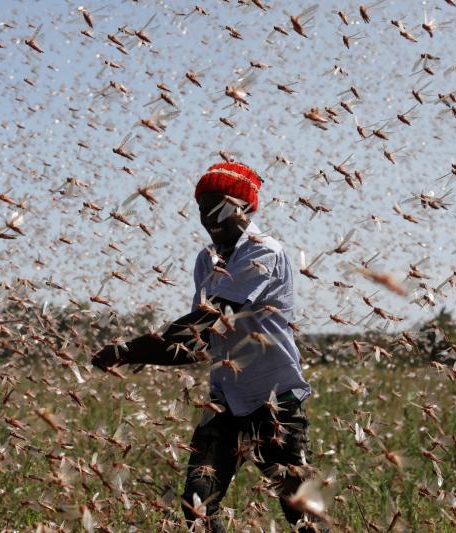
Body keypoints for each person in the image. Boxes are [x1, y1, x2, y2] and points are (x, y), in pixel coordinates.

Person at [92, 161, 322, 532]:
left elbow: (211, 318)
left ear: (245, 207)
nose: (209, 216)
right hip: (225, 400)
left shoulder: (264, 251)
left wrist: (131, 350)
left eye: (220, 206)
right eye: (202, 208)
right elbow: (199, 342)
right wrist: (132, 355)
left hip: (275, 401)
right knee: (197, 504)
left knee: (302, 514)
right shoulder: (206, 260)